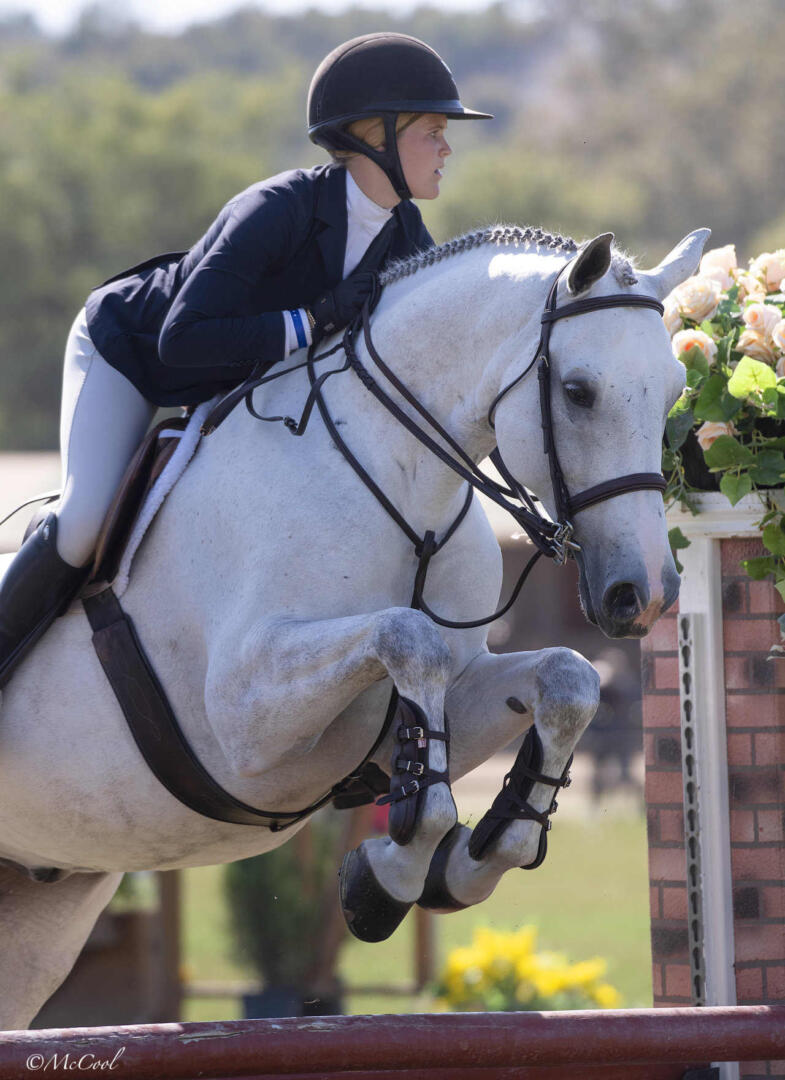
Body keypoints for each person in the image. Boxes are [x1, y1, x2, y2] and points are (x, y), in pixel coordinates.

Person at [0, 32, 492, 688]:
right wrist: (312, 321)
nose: (446, 147)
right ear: (376, 134)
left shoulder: (404, 236)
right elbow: (184, 338)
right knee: (85, 519)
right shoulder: (275, 209)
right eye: (432, 130)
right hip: (129, 350)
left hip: (237, 391)